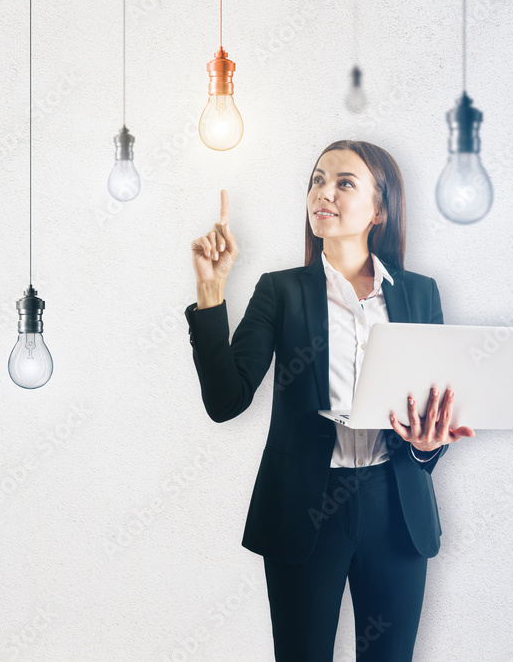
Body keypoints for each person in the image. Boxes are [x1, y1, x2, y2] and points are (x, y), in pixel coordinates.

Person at [185, 140, 476, 661]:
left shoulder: (419, 294)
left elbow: (433, 413)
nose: (324, 192)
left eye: (344, 183)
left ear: (379, 209)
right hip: (304, 510)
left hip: (396, 510)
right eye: (318, 180)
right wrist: (211, 292)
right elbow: (225, 400)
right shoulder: (282, 291)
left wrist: (428, 447)